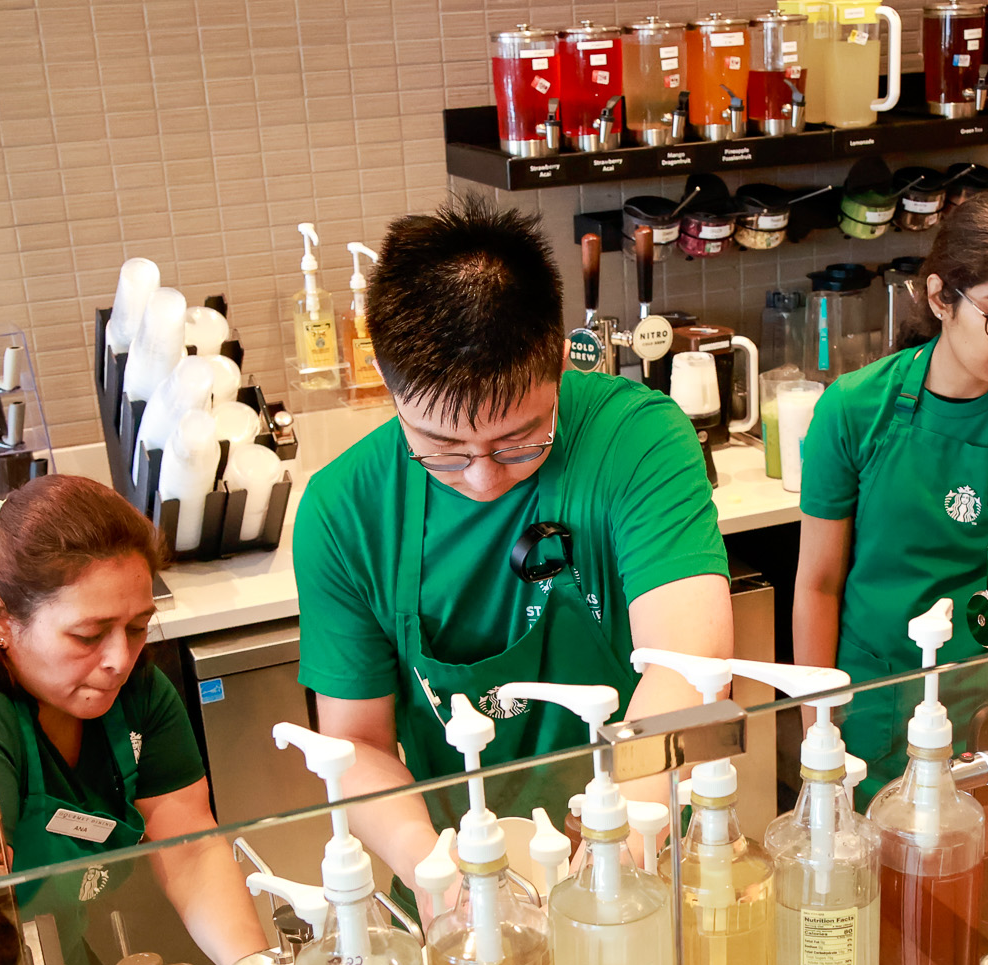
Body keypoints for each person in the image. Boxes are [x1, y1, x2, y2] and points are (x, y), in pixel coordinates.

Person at [293, 197, 733, 912]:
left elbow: (689, 664)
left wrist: (622, 826)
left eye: (519, 441)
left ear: (559, 360)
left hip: (642, 859)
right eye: (441, 450)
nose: (483, 477)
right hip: (474, 888)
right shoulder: (345, 510)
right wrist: (439, 872)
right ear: (390, 384)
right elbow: (357, 744)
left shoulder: (640, 440)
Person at [0, 475, 271, 965]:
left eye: (137, 627)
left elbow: (192, 851)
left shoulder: (135, 692)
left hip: (51, 961)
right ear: (1, 618)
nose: (120, 659)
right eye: (88, 635)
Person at [793, 193, 988, 801]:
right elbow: (817, 585)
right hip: (882, 709)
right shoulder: (855, 411)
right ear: (941, 297)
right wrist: (821, 743)